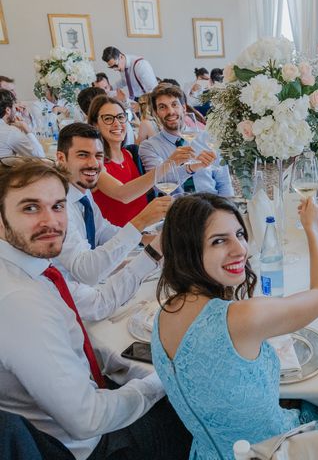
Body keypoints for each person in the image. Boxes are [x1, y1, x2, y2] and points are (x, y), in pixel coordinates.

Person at [0, 156, 192, 459]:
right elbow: (87, 419)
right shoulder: (19, 301)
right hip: (87, 447)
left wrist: (152, 252)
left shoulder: (29, 268)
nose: (51, 221)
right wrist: (159, 381)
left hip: (80, 413)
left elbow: (88, 314)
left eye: (58, 206)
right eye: (30, 207)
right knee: (196, 419)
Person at [151, 194, 318, 458]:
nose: (240, 249)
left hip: (208, 452)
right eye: (219, 241)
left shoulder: (163, 314)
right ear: (187, 249)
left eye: (240, 234)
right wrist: (312, 228)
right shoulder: (242, 317)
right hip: (273, 451)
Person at [54, 123, 174, 285]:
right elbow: (87, 273)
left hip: (92, 284)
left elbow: (103, 231)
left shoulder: (81, 189)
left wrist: (144, 239)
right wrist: (141, 221)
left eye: (98, 155)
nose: (93, 163)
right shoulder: (56, 205)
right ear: (61, 158)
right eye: (83, 155)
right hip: (69, 293)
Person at [139, 84, 233, 196]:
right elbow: (158, 184)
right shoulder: (149, 146)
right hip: (177, 210)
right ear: (156, 113)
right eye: (162, 107)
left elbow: (224, 183)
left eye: (174, 104)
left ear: (184, 108)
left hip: (212, 205)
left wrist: (227, 210)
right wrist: (189, 168)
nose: (170, 112)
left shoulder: (207, 138)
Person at [87, 96, 152, 226]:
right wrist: (168, 166)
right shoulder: (95, 164)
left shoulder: (129, 154)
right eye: (108, 119)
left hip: (147, 232)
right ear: (95, 125)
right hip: (119, 240)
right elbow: (123, 194)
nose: (117, 124)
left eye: (121, 117)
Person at [0, 88, 45, 157]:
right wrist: (26, 128)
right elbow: (40, 156)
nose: (16, 109)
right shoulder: (11, 132)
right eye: (14, 107)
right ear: (8, 110)